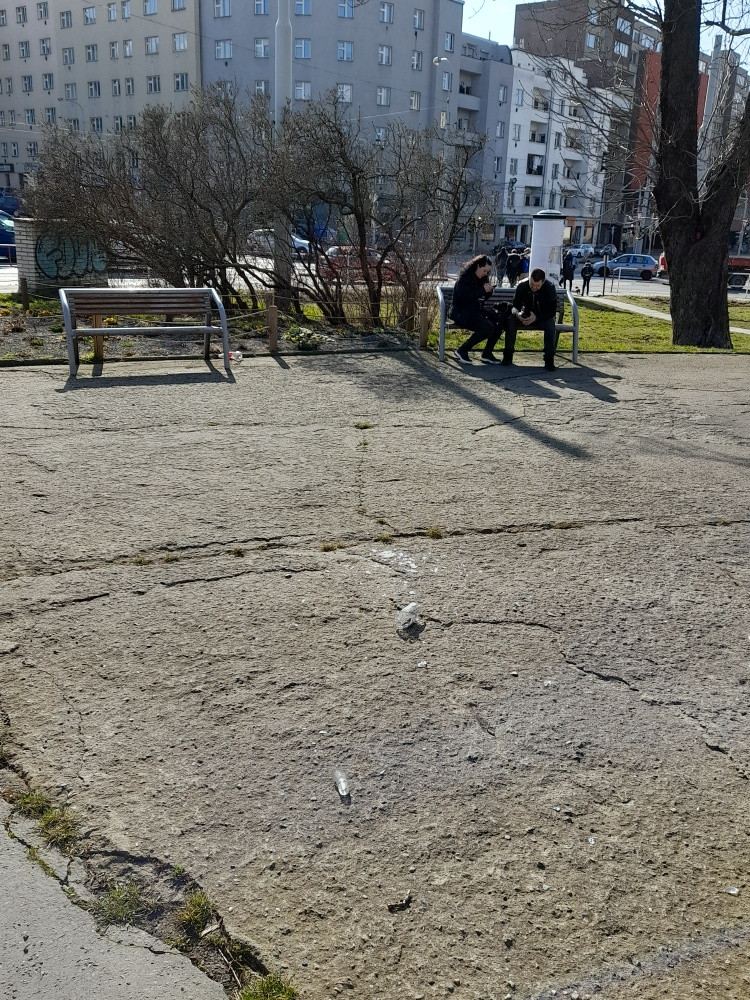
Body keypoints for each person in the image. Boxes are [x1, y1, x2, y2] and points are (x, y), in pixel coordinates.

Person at [450, 254, 505, 365]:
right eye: (484, 270)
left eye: (487, 272)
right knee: (488, 327)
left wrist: (488, 291)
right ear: (477, 266)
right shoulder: (464, 278)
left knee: (499, 322)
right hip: (462, 313)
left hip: (474, 311)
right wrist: (482, 290)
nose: (485, 274)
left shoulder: (482, 278)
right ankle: (462, 350)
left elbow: (481, 297)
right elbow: (466, 298)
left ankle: (487, 354)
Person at [503, 266, 559, 372]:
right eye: (532, 284)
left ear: (543, 282)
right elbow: (515, 306)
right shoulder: (522, 285)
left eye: (537, 286)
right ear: (529, 279)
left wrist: (536, 317)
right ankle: (508, 355)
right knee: (511, 320)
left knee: (550, 323)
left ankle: (549, 359)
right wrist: (518, 314)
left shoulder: (550, 288)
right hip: (525, 315)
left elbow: (551, 311)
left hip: (543, 317)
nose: (534, 288)